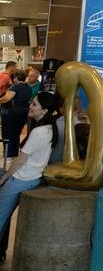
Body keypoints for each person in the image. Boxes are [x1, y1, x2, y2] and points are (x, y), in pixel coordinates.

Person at [0, 92, 58, 249]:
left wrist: (4, 178)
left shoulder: (39, 132)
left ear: (44, 111)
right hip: (33, 177)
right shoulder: (49, 128)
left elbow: (20, 160)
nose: (30, 107)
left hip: (21, 179)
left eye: (34, 104)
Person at [0, 70, 33, 157]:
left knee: (7, 136)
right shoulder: (28, 87)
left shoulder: (15, 87)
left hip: (11, 114)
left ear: (15, 78)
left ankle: (8, 156)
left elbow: (7, 98)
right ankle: (14, 154)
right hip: (23, 113)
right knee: (16, 135)